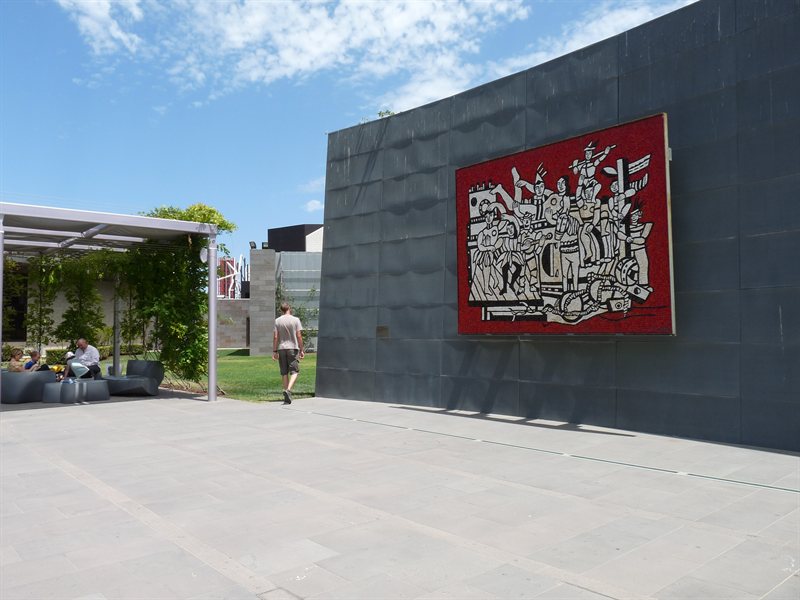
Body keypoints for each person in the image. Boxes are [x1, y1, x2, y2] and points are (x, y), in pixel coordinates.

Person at [272, 303, 304, 404]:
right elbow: (299, 335)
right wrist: (301, 349)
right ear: (289, 308)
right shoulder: (296, 320)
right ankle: (288, 390)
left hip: (281, 348)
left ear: (281, 310)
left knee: (284, 372)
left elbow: (276, 337)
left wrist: (274, 351)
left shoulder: (277, 321)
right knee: (295, 371)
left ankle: (286, 394)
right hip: (292, 348)